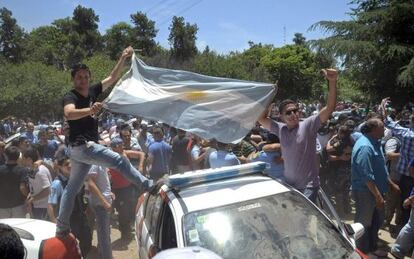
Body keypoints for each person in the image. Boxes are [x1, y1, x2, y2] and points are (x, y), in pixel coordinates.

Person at [57, 46, 153, 237]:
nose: (83, 80)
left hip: (80, 151)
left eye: (85, 76)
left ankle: (61, 227)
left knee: (72, 188)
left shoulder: (92, 91)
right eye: (79, 77)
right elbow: (68, 113)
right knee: (119, 160)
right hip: (83, 147)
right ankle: (146, 184)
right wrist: (90, 110)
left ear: (89, 77)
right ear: (73, 80)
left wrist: (123, 57)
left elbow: (112, 78)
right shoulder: (71, 96)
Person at [258, 69, 338, 202]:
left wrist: (332, 82)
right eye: (288, 113)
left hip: (308, 186)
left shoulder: (308, 125)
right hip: (290, 185)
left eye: (295, 110)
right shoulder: (280, 129)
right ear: (281, 116)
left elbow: (329, 108)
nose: (293, 114)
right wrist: (271, 96)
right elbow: (261, 118)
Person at [351, 118, 399, 256]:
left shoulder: (375, 143)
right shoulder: (365, 147)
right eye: (382, 128)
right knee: (364, 223)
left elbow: (381, 169)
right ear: (373, 129)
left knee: (375, 220)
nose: (384, 130)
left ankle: (371, 246)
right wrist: (377, 196)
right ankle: (363, 251)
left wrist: (390, 183)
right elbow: (366, 175)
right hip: (367, 192)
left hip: (376, 191)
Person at [47, 149, 92, 257]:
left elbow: (83, 195)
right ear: (60, 168)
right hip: (68, 220)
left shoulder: (76, 180)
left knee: (87, 240)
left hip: (80, 217)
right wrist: (55, 222)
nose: (70, 166)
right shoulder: (57, 184)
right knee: (70, 246)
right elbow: (50, 205)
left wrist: (87, 208)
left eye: (71, 163)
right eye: (67, 164)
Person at [381, 97, 414, 228]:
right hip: (409, 176)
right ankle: (405, 227)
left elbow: (388, 122)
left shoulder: (405, 133)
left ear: (411, 121)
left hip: (404, 175)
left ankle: (402, 227)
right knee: (408, 203)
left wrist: (383, 107)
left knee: (402, 201)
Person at [108, 137, 144, 241]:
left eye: (121, 144)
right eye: (119, 145)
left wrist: (141, 166)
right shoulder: (110, 157)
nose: (121, 146)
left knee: (130, 208)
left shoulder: (125, 153)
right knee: (123, 211)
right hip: (117, 188)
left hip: (128, 186)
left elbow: (141, 154)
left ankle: (128, 229)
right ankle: (124, 232)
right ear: (114, 147)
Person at [87, 165, 113, 259]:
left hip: (103, 204)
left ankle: (102, 254)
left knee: (104, 234)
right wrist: (104, 201)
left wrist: (109, 193)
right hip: (100, 205)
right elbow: (91, 183)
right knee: (104, 237)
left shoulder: (101, 162)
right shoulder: (95, 163)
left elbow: (101, 183)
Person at [22, 146, 52, 220]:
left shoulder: (40, 171)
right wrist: (30, 196)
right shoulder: (31, 169)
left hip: (43, 207)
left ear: (29, 159)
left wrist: (32, 199)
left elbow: (47, 190)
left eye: (23, 159)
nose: (22, 161)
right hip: (37, 206)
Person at [0, 146, 29, 218]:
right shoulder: (23, 170)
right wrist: (28, 196)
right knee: (18, 228)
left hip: (2, 205)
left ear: (6, 156)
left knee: (4, 228)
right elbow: (22, 188)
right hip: (18, 205)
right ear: (18, 156)